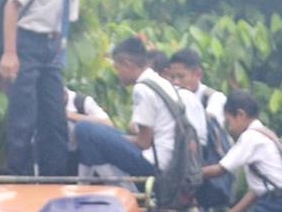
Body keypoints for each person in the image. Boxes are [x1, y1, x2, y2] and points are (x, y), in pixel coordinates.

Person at [0, 0, 112, 176]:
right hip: (26, 43)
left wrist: (57, 58)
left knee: (55, 121)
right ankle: (21, 181)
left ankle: (53, 181)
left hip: (50, 50)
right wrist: (9, 53)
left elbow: (64, 23)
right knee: (23, 119)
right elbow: (12, 5)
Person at [73, 36, 205, 179]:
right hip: (171, 160)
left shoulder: (142, 89)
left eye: (117, 69)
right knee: (101, 134)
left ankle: (120, 187)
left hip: (155, 163)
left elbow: (143, 142)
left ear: (127, 64)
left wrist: (116, 138)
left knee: (84, 129)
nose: (118, 74)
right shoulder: (158, 81)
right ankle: (88, 183)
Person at [165, 48, 227, 121]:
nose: (175, 82)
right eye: (172, 77)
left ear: (198, 74)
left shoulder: (214, 99)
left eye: (181, 76)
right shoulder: (170, 96)